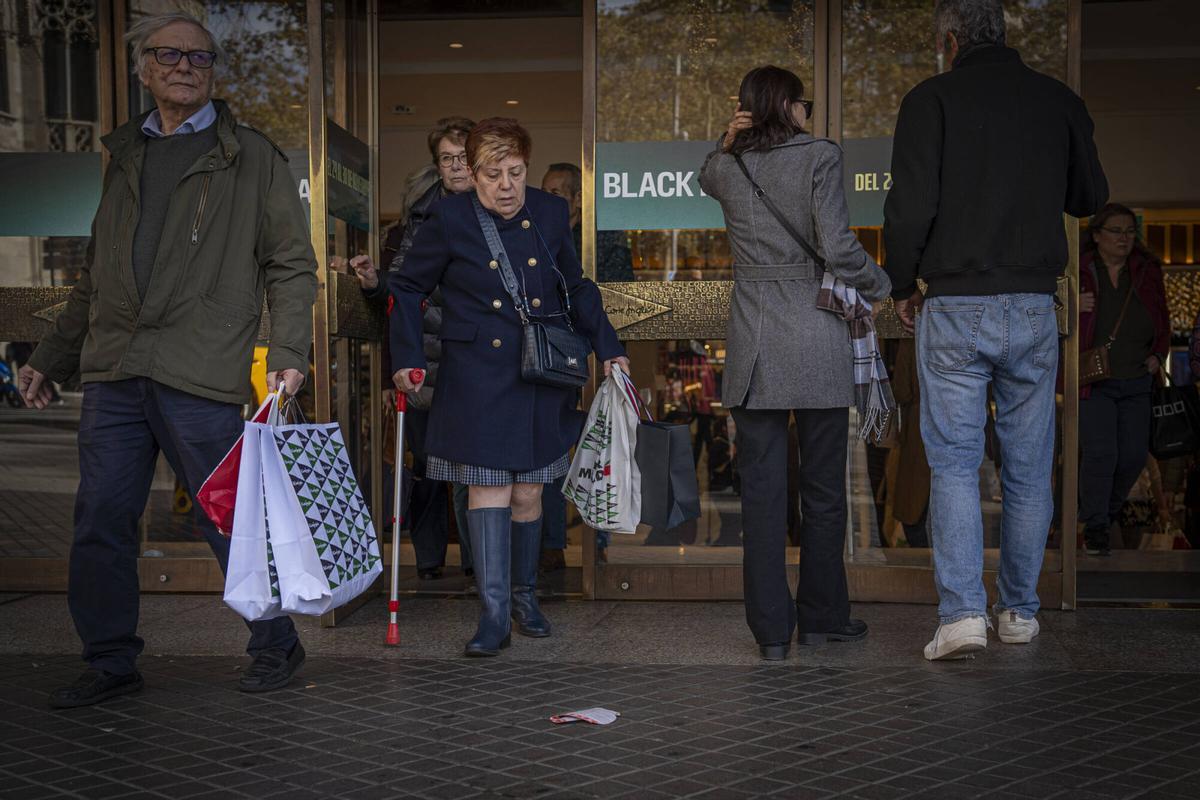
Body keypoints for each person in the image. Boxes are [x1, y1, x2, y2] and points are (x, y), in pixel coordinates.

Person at [17, 12, 317, 706]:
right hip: (118, 371)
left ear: (212, 71)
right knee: (100, 520)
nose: (184, 66)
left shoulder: (252, 157)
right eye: (168, 55)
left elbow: (292, 266)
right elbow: (95, 277)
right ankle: (109, 660)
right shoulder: (125, 157)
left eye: (199, 58)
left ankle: (277, 641)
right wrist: (53, 358)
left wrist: (290, 352)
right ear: (144, 68)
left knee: (227, 518)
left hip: (199, 366)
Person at [883, 0, 1108, 660]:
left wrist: (901, 283)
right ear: (1003, 36)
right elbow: (1090, 196)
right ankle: (1018, 611)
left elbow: (909, 207)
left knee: (954, 463)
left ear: (950, 41)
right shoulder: (1055, 99)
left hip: (955, 304)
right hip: (1035, 306)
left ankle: (961, 617)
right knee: (1029, 467)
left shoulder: (931, 101)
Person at [390, 118, 627, 657]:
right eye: (493, 174)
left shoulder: (546, 210)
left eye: (516, 172)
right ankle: (493, 613)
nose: (506, 186)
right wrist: (405, 357)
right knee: (489, 489)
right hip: (476, 374)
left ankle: (525, 597)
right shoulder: (448, 216)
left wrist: (608, 347)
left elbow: (576, 284)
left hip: (538, 373)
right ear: (471, 174)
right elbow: (406, 286)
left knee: (528, 492)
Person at [699, 65, 892, 661]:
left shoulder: (727, 166)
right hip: (816, 337)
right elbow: (837, 248)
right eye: (803, 102)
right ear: (788, 106)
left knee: (759, 494)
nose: (809, 111)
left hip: (754, 345)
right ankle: (823, 619)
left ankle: (771, 634)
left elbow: (704, 175)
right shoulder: (820, 157)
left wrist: (727, 141)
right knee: (824, 490)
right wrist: (883, 283)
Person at [348, 117, 476, 581]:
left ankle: (481, 570)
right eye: (447, 159)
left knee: (473, 469)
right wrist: (373, 281)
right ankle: (429, 560)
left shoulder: (501, 207)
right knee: (428, 465)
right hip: (429, 358)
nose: (457, 167)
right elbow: (400, 291)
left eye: (464, 157)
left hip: (478, 359)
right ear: (438, 166)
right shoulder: (423, 218)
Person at [538, 163, 619, 571]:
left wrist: (608, 347)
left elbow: (617, 287)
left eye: (556, 192)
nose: (548, 197)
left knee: (597, 451)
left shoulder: (601, 237)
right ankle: (553, 543)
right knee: (554, 452)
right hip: (554, 357)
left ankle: (595, 542)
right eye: (544, 190)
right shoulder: (535, 231)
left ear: (575, 198)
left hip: (595, 355)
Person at [1078, 203, 1169, 556]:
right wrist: (1073, 303)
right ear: (1097, 235)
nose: (1124, 238)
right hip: (1095, 379)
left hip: (1137, 379)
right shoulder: (1082, 271)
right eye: (1116, 231)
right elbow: (1051, 314)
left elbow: (1163, 320)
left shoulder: (1146, 271)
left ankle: (1106, 513)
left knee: (1132, 456)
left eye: (1130, 231)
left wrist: (1158, 356)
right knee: (1102, 454)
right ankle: (1097, 525)